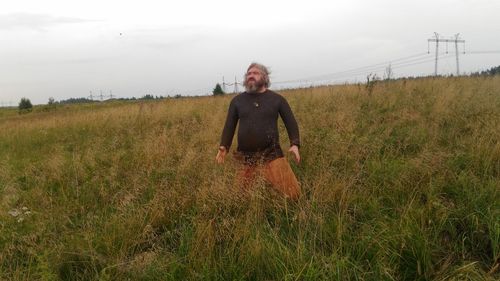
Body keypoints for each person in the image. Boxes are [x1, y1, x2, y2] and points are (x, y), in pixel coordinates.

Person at [215, 62, 301, 200]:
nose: (251, 76)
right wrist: (224, 146)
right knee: (240, 199)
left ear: (265, 77)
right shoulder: (237, 101)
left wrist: (295, 144)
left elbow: (291, 122)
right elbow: (229, 126)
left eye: (255, 73)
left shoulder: (277, 99)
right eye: (248, 74)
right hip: (246, 156)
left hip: (272, 154)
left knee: (293, 195)